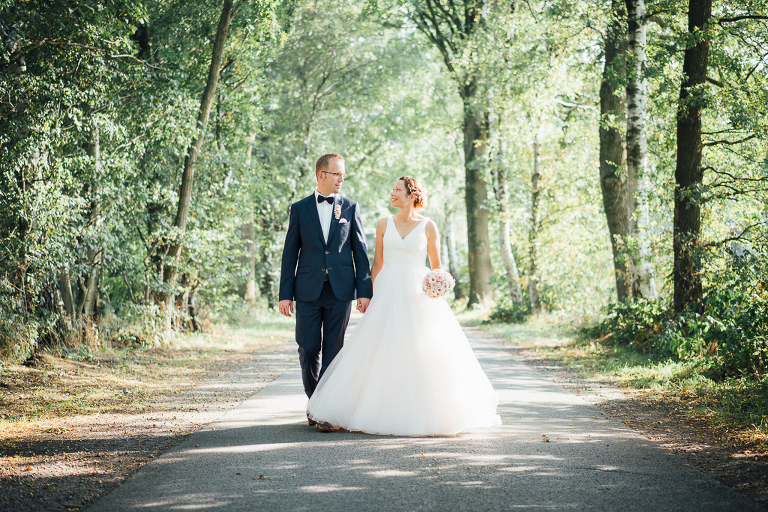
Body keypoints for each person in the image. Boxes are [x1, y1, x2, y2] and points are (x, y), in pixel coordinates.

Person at [306, 176, 501, 436]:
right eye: (393, 189)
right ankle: (348, 409)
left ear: (411, 195)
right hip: (387, 290)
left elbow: (436, 266)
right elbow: (377, 264)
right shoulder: (383, 224)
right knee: (378, 347)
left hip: (418, 294)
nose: (392, 193)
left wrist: (438, 284)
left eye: (397, 190)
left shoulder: (429, 227)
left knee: (422, 349)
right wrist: (369, 294)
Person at [278, 154, 373, 428]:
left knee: (334, 349)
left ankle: (326, 410)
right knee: (308, 348)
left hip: (341, 290)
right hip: (307, 289)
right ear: (321, 175)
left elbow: (360, 252)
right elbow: (289, 254)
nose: (341, 179)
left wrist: (363, 290)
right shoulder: (299, 208)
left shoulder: (351, 208)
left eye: (343, 175)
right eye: (337, 174)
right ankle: (314, 399)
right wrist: (285, 294)